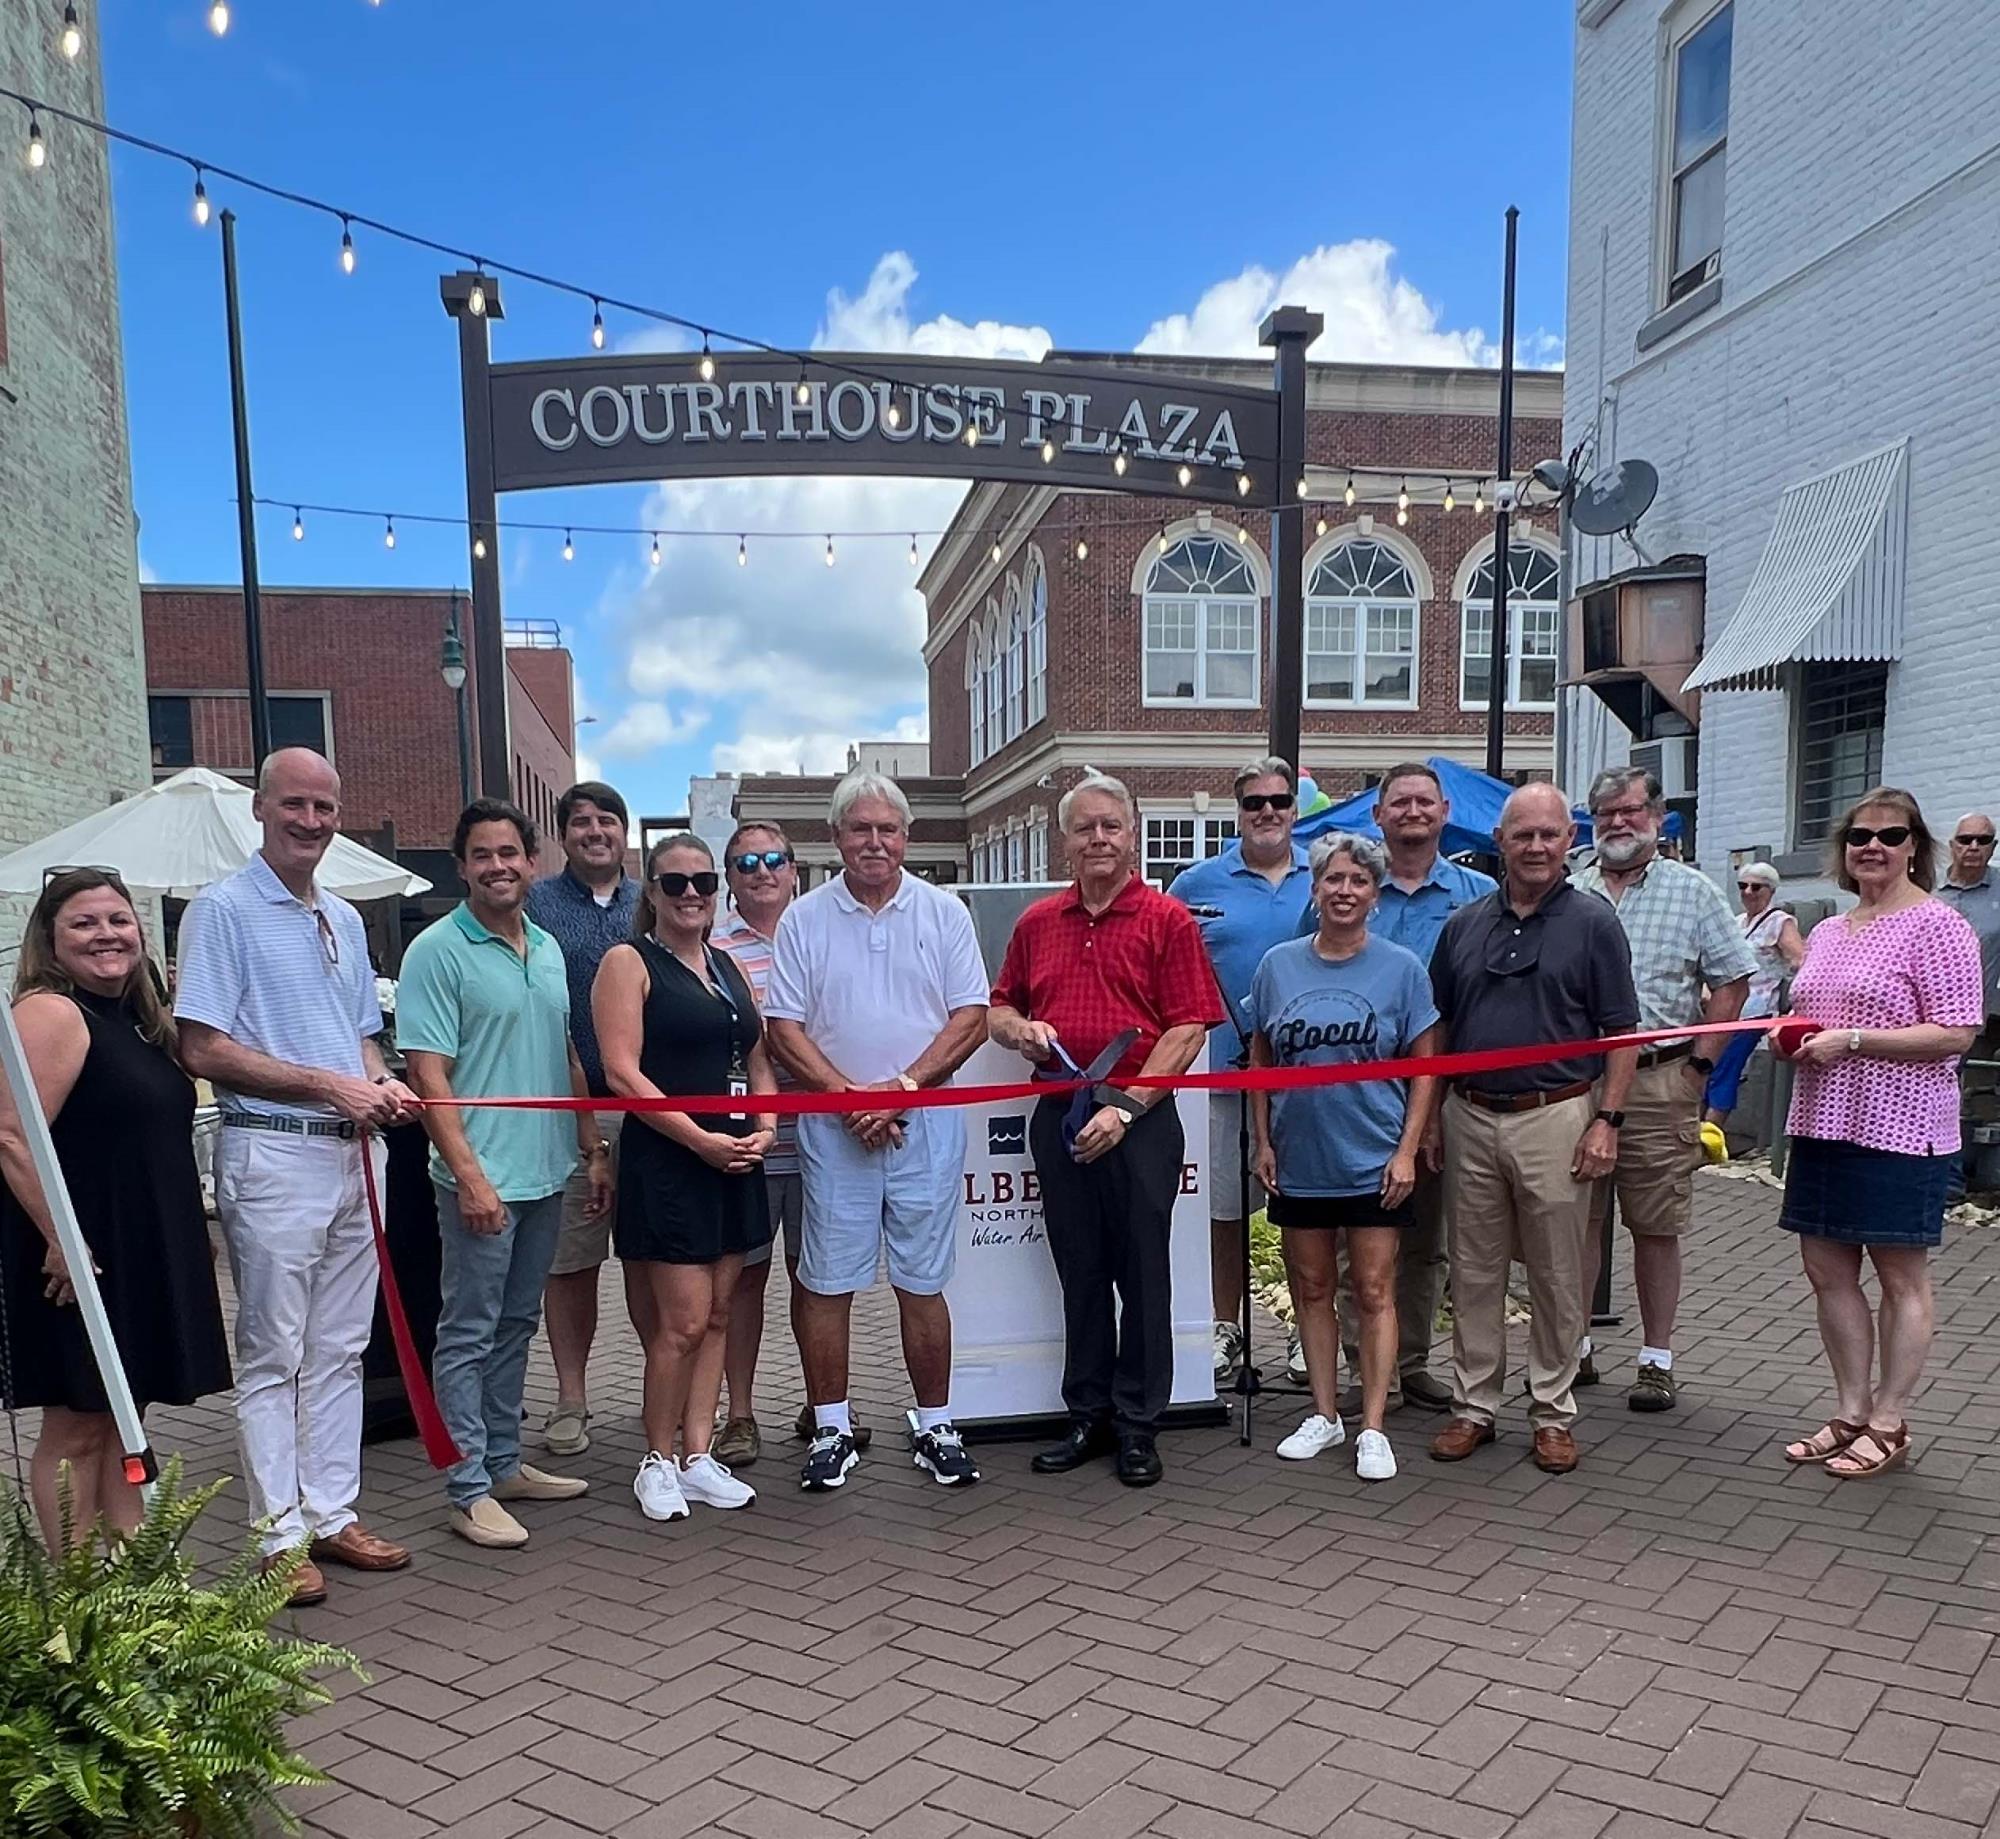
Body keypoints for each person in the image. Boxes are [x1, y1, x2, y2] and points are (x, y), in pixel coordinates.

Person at [176, 748, 417, 1606]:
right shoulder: (223, 911)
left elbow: (358, 1035)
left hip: (354, 1151)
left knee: (343, 1347)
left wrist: (376, 1081)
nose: (310, 821)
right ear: (261, 808)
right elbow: (201, 1046)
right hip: (273, 1148)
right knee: (274, 1351)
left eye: (324, 807)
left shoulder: (345, 919)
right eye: (294, 806)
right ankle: (276, 1533)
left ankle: (330, 1510)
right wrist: (332, 1085)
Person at [990, 772, 1223, 1486]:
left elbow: (1187, 1027)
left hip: (1140, 1119)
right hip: (1061, 1111)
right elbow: (996, 1008)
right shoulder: (1037, 922)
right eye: (1084, 827)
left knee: (1144, 1276)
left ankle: (1139, 1423)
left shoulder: (1166, 919)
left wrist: (1127, 1106)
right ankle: (1087, 1412)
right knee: (1080, 1272)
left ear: (1133, 835)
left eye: (1110, 826)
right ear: (1065, 842)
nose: (1098, 838)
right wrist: (1020, 1029)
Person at [765, 771, 990, 1492]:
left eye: (886, 829)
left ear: (907, 837)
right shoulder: (803, 918)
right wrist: (849, 1099)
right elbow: (783, 1028)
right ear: (835, 838)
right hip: (837, 1131)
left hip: (924, 1123)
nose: (873, 841)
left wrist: (900, 1091)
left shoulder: (944, 911)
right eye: (859, 828)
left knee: (922, 1282)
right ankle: (831, 1425)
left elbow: (971, 1017)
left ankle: (936, 1424)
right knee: (828, 1283)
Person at [397, 799, 607, 1549]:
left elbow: (568, 1054)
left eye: (510, 853)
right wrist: (469, 1175)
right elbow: (428, 1073)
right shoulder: (435, 952)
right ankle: (467, 1487)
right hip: (478, 1180)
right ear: (462, 867)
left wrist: (590, 1146)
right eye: (482, 855)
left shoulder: (546, 947)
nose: (498, 866)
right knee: (468, 1330)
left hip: (546, 1173)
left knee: (517, 1322)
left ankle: (503, 1461)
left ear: (530, 861)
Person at [0, 870, 231, 1552]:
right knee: (77, 1424)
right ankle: (76, 1597)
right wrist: (62, 1238)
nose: (107, 933)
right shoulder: (50, 1012)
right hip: (78, 1252)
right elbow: (12, 1134)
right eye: (85, 922)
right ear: (50, 938)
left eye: (118, 919)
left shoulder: (135, 1018)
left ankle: (130, 1578)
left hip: (139, 1242)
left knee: (121, 1415)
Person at [1427, 783, 1639, 1476]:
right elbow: (1442, 1029)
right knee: (1474, 1268)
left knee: (1556, 1272)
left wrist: (1607, 1119)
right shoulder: (1463, 923)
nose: (1538, 846)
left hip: (1557, 1113)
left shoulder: (1594, 921)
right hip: (1471, 1113)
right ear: (1502, 839)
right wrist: (1430, 1117)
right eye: (1525, 835)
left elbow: (1620, 1032)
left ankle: (1552, 1409)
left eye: (1551, 834)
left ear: (1568, 838)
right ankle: (1474, 1405)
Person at [1776, 788, 1982, 1478]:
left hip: (1900, 1126)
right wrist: (1794, 1038)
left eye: (1891, 835)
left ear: (1914, 847)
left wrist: (1856, 1039)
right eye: (1860, 833)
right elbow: (1816, 1013)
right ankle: (1851, 1408)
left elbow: (1957, 1030)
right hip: (1822, 1119)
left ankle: (1892, 1419)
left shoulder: (1939, 925)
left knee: (1900, 1276)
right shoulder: (1832, 930)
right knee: (1826, 1269)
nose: (1873, 845)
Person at [1247, 834, 1441, 1482]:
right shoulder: (1277, 965)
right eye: (1333, 878)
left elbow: (1425, 1068)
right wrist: (1265, 1140)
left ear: (1375, 893)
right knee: (1313, 1287)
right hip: (1303, 1157)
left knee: (1374, 1288)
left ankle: (1375, 1425)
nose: (1345, 890)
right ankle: (1325, 1413)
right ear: (1315, 887)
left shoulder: (1402, 968)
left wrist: (1408, 1150)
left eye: (1358, 879)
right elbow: (1261, 1058)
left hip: (1374, 1154)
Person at [595, 834, 776, 1523]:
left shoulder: (729, 965)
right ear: (652, 890)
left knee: (723, 1314)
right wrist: (698, 1137)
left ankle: (699, 1454)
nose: (692, 893)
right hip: (671, 1158)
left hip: (734, 1158)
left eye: (703, 880)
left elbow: (756, 1057)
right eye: (676, 883)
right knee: (683, 1322)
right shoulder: (629, 960)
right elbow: (622, 1071)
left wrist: (762, 1127)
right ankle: (658, 1457)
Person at [1574, 767, 1755, 1411]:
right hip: (1580, 1084)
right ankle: (1577, 1350)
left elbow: (1733, 981)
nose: (1618, 823)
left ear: (1656, 816)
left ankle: (1655, 1357)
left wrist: (1701, 1067)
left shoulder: (1694, 892)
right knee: (1578, 1223)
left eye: (1630, 811)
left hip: (1660, 1080)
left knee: (1655, 1223)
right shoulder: (1572, 890)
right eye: (1605, 814)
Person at [1329, 762, 1496, 1416]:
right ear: (1379, 814)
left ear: (1444, 809)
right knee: (1355, 1240)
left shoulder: (1478, 894)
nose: (1412, 812)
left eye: (1424, 801)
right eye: (1399, 802)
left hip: (1445, 1087)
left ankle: (1415, 1361)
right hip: (1359, 1091)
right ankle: (1363, 1368)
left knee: (1426, 1238)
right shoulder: (1351, 886)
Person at [1166, 756, 1313, 1391]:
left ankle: (1312, 1332)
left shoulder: (1326, 873)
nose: (1268, 813)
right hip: (1222, 1079)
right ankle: (1225, 1326)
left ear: (1294, 809)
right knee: (1223, 1212)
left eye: (1279, 802)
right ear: (1239, 810)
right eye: (1255, 803)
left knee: (1310, 1210)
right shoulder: (1195, 885)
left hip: (1310, 1081)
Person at [709, 822, 839, 1466]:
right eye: (744, 862)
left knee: (818, 1281)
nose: (761, 871)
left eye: (772, 860)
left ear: (794, 868)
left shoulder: (823, 930)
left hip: (824, 1141)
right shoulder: (709, 948)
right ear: (729, 878)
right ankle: (740, 1416)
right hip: (747, 1148)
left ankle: (827, 1410)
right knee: (743, 1284)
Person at [524, 782, 641, 1460]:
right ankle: (571, 1395)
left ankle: (673, 1386)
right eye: (581, 821)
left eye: (607, 820)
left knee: (656, 1259)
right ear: (563, 834)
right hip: (574, 1109)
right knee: (571, 1262)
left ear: (624, 832)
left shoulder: (650, 902)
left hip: (654, 1109)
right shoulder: (536, 905)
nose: (595, 831)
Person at [1703, 862, 1805, 1131]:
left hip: (1756, 1010)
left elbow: (1801, 960)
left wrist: (1796, 1003)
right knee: (1706, 1064)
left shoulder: (1779, 922)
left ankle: (1711, 1131)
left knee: (1727, 1066)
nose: (1748, 892)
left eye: (1756, 886)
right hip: (1727, 1008)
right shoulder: (1737, 922)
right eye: (1742, 886)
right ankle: (1700, 1127)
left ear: (1770, 891)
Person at [1936, 811, 2000, 1103]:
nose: (1973, 846)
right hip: (1926, 1022)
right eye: (1965, 839)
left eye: (1983, 840)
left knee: (1973, 1107)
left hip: (1979, 1022)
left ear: (1993, 847)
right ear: (1953, 845)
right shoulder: (1928, 892)